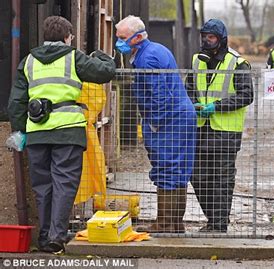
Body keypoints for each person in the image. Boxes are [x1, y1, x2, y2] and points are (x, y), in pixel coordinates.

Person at [8, 16, 116, 253]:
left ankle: (45, 237)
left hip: (37, 133)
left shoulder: (28, 62)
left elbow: (16, 102)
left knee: (42, 186)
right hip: (67, 132)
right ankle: (57, 236)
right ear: (68, 37)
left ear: (45, 37)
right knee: (64, 183)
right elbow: (105, 72)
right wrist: (102, 56)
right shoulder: (73, 57)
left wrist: (21, 131)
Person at [115, 15, 196, 233]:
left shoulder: (146, 58)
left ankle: (165, 224)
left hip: (169, 120)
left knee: (166, 168)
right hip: (179, 116)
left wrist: (154, 123)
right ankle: (175, 224)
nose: (118, 42)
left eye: (122, 37)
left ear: (137, 37)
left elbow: (159, 95)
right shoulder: (155, 50)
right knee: (177, 170)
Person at [186, 19, 254, 232]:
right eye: (204, 36)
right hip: (201, 129)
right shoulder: (197, 60)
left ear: (221, 39)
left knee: (222, 181)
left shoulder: (238, 63)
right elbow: (188, 88)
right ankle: (214, 218)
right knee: (197, 176)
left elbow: (246, 95)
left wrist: (216, 107)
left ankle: (218, 223)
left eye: (211, 37)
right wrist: (192, 104)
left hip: (226, 132)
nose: (206, 41)